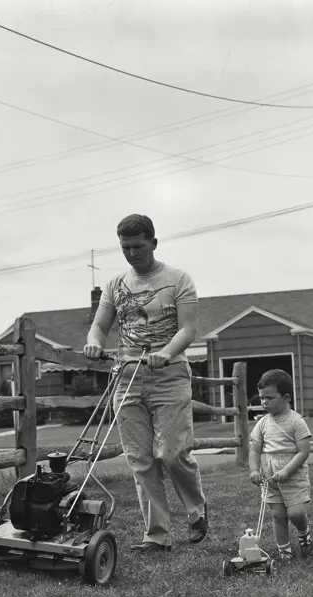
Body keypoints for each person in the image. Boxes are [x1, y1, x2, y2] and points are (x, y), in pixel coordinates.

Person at [83, 214, 207, 553]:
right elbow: (99, 326)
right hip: (126, 378)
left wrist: (165, 353)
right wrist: (93, 341)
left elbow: (187, 330)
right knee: (140, 460)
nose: (132, 253)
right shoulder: (115, 285)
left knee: (171, 453)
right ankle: (156, 535)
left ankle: (196, 509)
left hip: (169, 376)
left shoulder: (179, 280)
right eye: (125, 248)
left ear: (153, 242)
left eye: (138, 246)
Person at [248, 369, 313, 563]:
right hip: (271, 480)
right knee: (277, 515)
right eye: (261, 398)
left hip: (292, 477)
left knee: (295, 513)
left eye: (269, 397)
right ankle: (284, 551)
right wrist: (254, 470)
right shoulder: (262, 423)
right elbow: (254, 450)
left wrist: (286, 470)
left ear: (286, 398)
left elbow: (303, 451)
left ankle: (304, 535)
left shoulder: (296, 422)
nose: (264, 402)